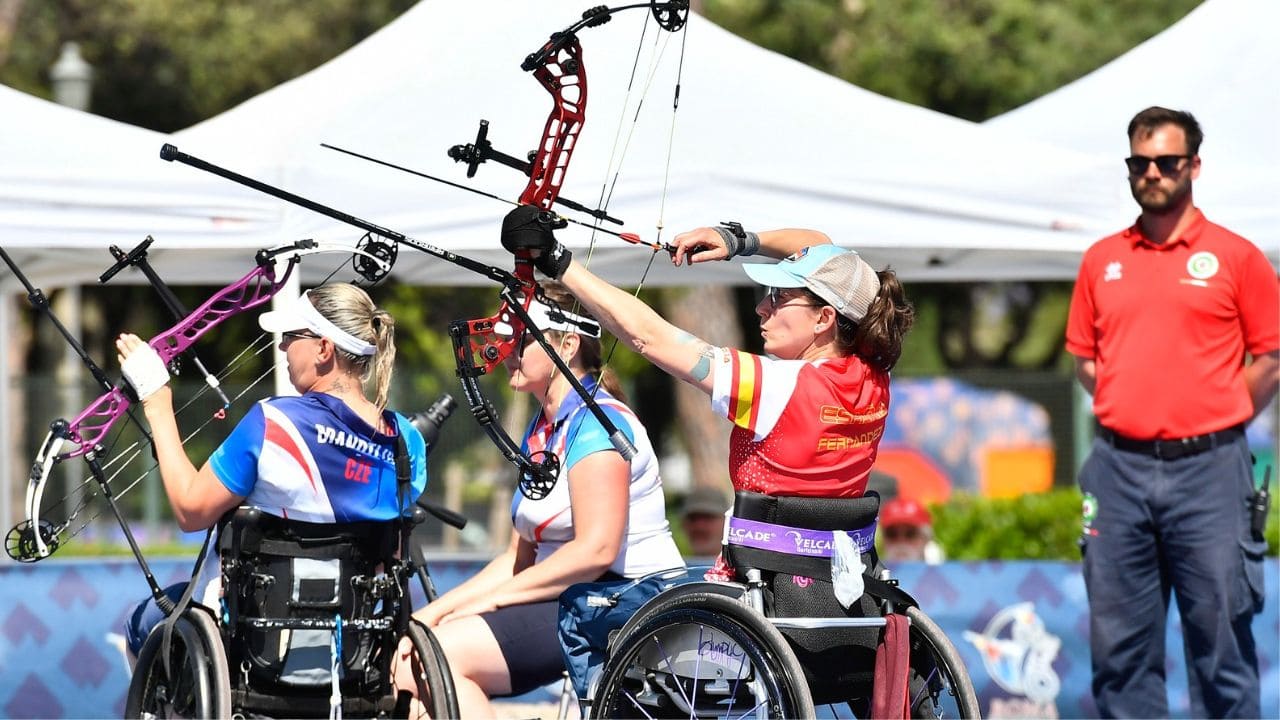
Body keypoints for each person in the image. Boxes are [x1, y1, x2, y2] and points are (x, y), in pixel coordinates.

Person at [500, 206, 914, 581]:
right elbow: (822, 250)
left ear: (825, 318)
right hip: (833, 577)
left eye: (780, 297)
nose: (762, 308)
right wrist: (737, 241)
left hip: (761, 581)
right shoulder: (873, 373)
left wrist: (558, 261)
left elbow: (649, 339)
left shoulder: (779, 386)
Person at [1066, 106, 1279, 719]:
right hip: (1117, 471)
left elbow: (1270, 357)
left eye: (1166, 161)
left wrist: (1212, 415)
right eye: (1140, 162)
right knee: (1120, 654)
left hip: (1209, 472)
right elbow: (1085, 359)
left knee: (1220, 646)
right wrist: (1130, 404)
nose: (1152, 172)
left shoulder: (1237, 257)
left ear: (1194, 166)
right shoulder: (1101, 258)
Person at [404, 281, 683, 716]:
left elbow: (596, 550)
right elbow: (521, 554)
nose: (506, 352)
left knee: (436, 658)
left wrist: (491, 601)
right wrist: (435, 611)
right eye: (504, 340)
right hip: (572, 599)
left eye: (520, 340)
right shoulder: (544, 426)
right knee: (414, 648)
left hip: (621, 599)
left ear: (568, 344)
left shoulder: (596, 423)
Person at [118, 283, 427, 658]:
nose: (281, 347)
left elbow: (190, 510)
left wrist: (156, 400)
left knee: (142, 624)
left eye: (290, 336)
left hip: (258, 642)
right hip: (354, 645)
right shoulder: (407, 443)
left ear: (324, 348)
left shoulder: (273, 423)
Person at [877, 496, 944, 565]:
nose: (901, 541)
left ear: (925, 539)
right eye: (892, 534)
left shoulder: (942, 573)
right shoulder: (869, 573)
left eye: (910, 534)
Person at [680, 484, 730, 557]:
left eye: (708, 518)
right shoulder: (673, 566)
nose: (699, 526)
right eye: (693, 518)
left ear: (727, 523)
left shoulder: (742, 567)